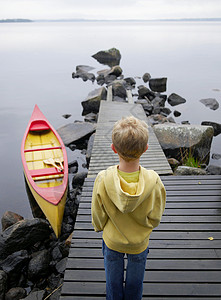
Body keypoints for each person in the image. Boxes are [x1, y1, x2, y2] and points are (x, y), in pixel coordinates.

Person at [91, 116, 166, 300]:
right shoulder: (154, 180)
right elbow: (156, 214)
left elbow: (98, 213)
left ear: (113, 148)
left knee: (113, 283)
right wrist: (147, 226)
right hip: (139, 243)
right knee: (135, 282)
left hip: (112, 241)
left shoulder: (103, 178)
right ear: (146, 149)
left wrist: (100, 227)